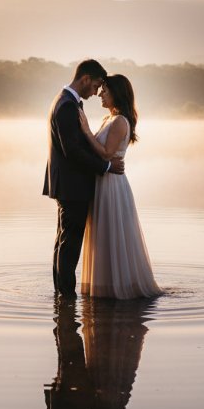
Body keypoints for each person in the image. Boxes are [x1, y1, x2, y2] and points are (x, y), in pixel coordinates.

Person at [43, 59, 124, 298]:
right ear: (85, 79)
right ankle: (66, 298)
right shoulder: (67, 105)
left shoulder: (65, 101)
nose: (98, 91)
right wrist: (107, 165)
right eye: (97, 84)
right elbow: (73, 151)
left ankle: (62, 298)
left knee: (63, 241)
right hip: (72, 186)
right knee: (69, 245)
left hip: (67, 184)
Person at [77, 74, 162, 299]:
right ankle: (104, 286)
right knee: (103, 236)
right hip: (102, 182)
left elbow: (106, 153)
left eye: (105, 91)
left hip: (112, 185)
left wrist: (85, 130)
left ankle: (118, 288)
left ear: (117, 94)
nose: (100, 94)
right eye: (101, 89)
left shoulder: (120, 121)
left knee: (113, 234)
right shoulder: (109, 119)